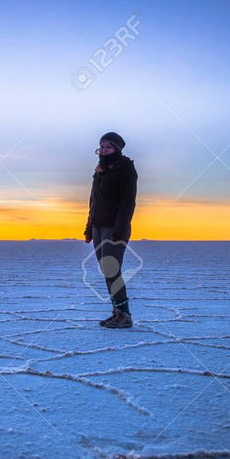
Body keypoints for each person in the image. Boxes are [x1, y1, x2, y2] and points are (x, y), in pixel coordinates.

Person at [84, 132, 138, 328]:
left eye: (109, 147)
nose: (104, 151)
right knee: (107, 271)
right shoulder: (99, 171)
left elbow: (128, 202)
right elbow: (93, 202)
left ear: (118, 149)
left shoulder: (126, 169)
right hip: (98, 227)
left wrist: (119, 229)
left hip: (115, 229)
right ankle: (117, 312)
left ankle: (124, 315)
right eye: (102, 147)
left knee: (112, 270)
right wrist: (88, 228)